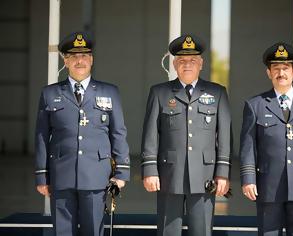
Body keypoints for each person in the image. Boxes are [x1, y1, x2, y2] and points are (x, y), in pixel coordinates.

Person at [34, 31, 130, 236]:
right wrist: (42, 175)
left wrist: (121, 173)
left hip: (96, 176)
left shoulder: (109, 92)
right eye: (74, 57)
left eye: (85, 55)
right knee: (62, 232)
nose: (80, 61)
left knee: (94, 231)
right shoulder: (49, 93)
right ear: (65, 61)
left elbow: (118, 133)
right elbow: (42, 136)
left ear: (92, 60)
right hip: (61, 176)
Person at [141, 34, 232, 236]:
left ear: (201, 63)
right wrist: (150, 170)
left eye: (192, 60)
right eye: (182, 60)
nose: (187, 64)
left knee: (201, 231)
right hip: (169, 174)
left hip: (205, 175)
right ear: (174, 64)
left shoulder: (217, 92)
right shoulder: (160, 92)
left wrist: (222, 173)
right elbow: (150, 134)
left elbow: (224, 136)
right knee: (168, 231)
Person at [240, 42, 293, 235]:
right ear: (268, 73)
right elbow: (248, 146)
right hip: (269, 186)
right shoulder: (255, 105)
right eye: (276, 68)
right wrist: (249, 179)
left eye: (285, 68)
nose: (281, 73)